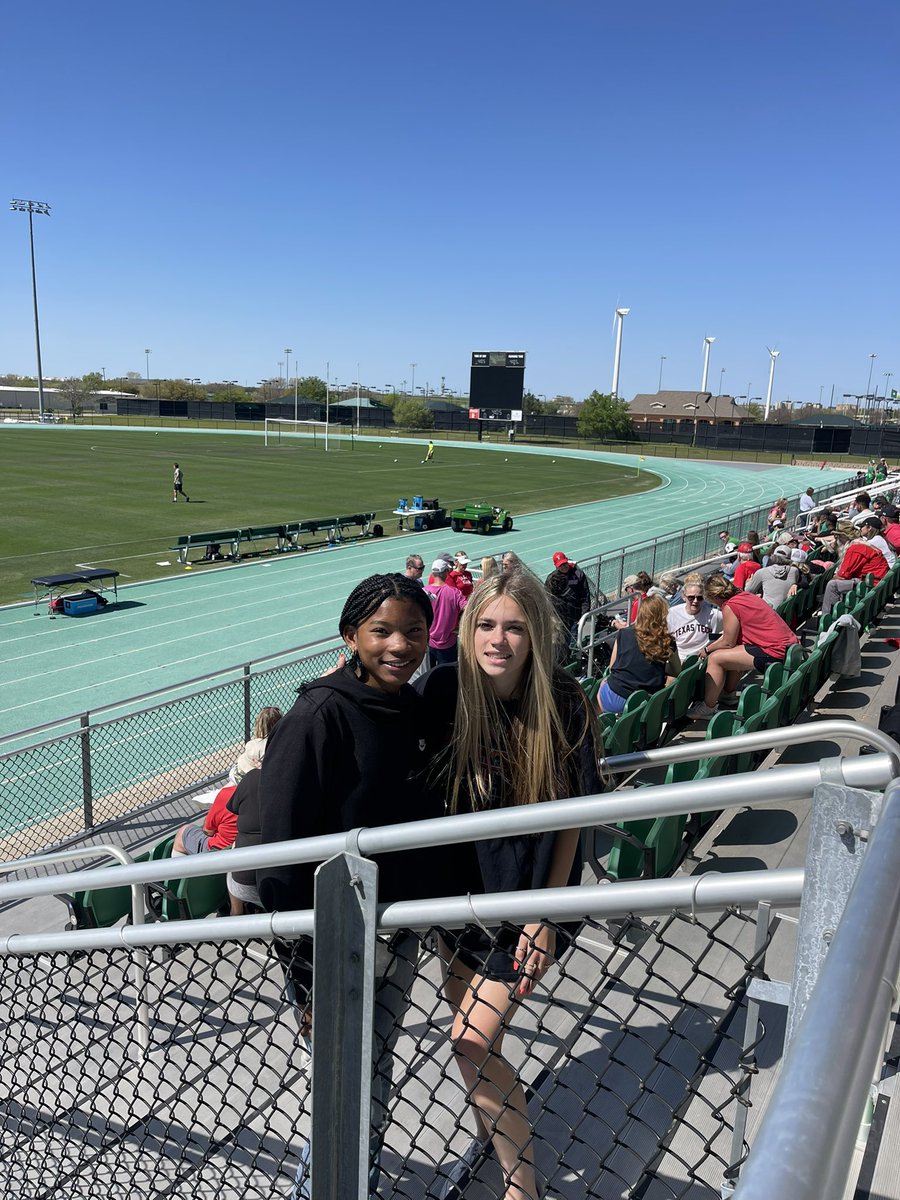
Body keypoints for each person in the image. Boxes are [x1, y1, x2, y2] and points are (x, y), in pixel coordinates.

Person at [416, 569, 602, 1200]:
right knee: (475, 1048)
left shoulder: (563, 701)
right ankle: (509, 1160)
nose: (498, 640)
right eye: (487, 625)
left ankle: (521, 1188)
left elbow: (573, 821)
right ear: (468, 630)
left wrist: (543, 917)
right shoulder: (444, 690)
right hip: (460, 902)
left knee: (471, 1040)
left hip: (528, 902)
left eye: (515, 627)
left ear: (537, 634)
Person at [257, 572, 439, 1199]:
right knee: (349, 1078)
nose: (399, 645)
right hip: (337, 940)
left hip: (399, 930)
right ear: (350, 637)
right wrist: (303, 972)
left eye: (413, 632)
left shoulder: (414, 710)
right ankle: (330, 1186)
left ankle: (350, 1180)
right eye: (381, 631)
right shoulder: (318, 715)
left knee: (374, 1069)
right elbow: (278, 856)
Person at [689, 574, 800, 718]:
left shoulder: (730, 606)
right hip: (788, 647)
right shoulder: (745, 596)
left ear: (713, 597)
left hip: (775, 651)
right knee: (735, 651)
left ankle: (707, 708)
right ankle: (728, 695)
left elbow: (728, 642)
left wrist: (706, 650)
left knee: (715, 658)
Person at [599, 595, 680, 714]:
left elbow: (612, 667)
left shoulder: (623, 633)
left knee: (604, 681)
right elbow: (677, 670)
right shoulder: (667, 641)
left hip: (612, 696)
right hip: (641, 700)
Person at [820, 532, 889, 616]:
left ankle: (827, 618)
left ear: (843, 538)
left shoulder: (855, 548)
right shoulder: (861, 544)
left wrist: (833, 578)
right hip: (875, 582)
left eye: (836, 537)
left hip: (871, 585)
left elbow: (842, 575)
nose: (835, 540)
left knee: (832, 585)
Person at [172, 783, 238, 856]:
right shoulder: (250, 794)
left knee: (182, 833)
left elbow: (207, 831)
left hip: (221, 851)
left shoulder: (227, 795)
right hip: (247, 849)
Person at [666, 573, 723, 657]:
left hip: (705, 658)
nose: (695, 601)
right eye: (691, 598)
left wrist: (710, 648)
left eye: (699, 598)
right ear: (684, 597)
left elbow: (731, 628)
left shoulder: (714, 614)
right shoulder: (672, 614)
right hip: (682, 660)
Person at [424, 559, 467, 665]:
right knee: (448, 675)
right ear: (446, 572)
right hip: (448, 642)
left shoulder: (424, 592)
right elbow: (469, 608)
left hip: (429, 642)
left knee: (429, 676)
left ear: (433, 573)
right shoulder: (454, 593)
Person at [229, 706, 283, 784]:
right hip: (255, 776)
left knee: (232, 777)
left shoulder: (254, 745)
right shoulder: (282, 743)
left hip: (246, 777)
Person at [544, 551, 591, 638]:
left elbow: (585, 596)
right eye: (560, 565)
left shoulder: (578, 574)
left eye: (564, 564)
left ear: (567, 561)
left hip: (575, 616)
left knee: (573, 643)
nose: (563, 567)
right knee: (561, 644)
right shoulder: (552, 578)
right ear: (556, 566)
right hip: (560, 618)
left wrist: (584, 615)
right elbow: (547, 598)